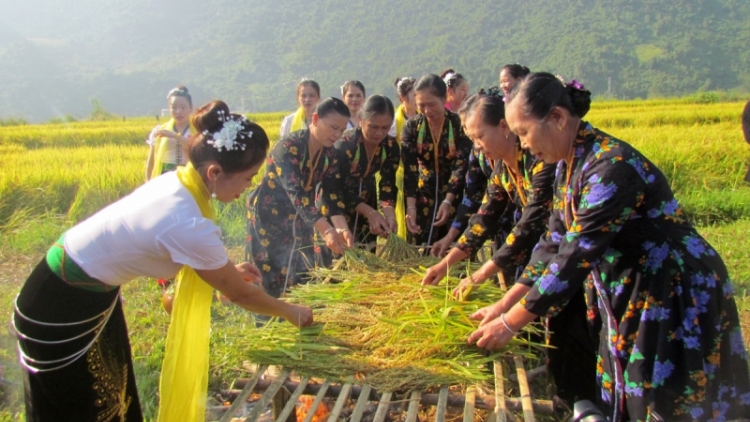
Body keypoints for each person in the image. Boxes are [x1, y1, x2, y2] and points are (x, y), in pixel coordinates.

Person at [469, 73, 750, 421]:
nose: (523, 144)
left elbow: (576, 254)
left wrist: (511, 323)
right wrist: (504, 302)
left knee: (671, 397)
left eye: (524, 132)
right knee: (630, 387)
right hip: (631, 289)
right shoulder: (566, 165)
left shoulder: (610, 165)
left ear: (557, 117)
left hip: (672, 290)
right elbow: (553, 241)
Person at [13, 101, 314, 422]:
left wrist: (228, 273)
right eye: (248, 178)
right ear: (214, 172)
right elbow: (239, 293)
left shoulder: (179, 183)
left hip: (83, 293)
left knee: (112, 397)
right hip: (61, 305)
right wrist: (290, 312)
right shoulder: (189, 221)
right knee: (78, 409)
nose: (249, 187)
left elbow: (179, 249)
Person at [422, 94, 598, 406]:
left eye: (479, 136)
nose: (477, 146)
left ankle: (578, 398)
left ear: (504, 127)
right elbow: (485, 218)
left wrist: (482, 281)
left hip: (586, 267)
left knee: (578, 333)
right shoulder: (503, 167)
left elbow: (528, 229)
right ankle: (570, 398)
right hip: (556, 261)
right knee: (559, 329)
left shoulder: (547, 162)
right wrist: (447, 263)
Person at [247, 97, 353, 299]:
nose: (337, 134)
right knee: (270, 273)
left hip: (302, 220)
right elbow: (297, 194)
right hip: (269, 219)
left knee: (300, 270)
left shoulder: (330, 154)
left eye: (341, 130)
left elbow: (332, 195)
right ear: (315, 119)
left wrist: (341, 228)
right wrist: (327, 230)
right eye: (333, 127)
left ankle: (295, 317)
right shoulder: (288, 147)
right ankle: (268, 321)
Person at [401, 74, 472, 249]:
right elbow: (410, 171)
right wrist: (410, 208)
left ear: (444, 98)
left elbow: (460, 166)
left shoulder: (458, 125)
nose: (426, 111)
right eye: (421, 106)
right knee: (420, 250)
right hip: (422, 196)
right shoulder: (412, 127)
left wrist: (448, 200)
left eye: (431, 104)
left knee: (453, 250)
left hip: (455, 195)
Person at [333, 95, 400, 248]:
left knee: (365, 256)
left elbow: (387, 184)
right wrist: (370, 212)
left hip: (368, 201)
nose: (379, 133)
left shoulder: (390, 146)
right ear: (360, 120)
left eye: (385, 128)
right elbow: (336, 187)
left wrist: (390, 216)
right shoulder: (345, 145)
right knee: (340, 257)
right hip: (339, 206)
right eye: (373, 127)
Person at [388, 77, 418, 239]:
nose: (418, 100)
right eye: (415, 95)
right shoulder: (394, 121)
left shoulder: (424, 118)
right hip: (400, 174)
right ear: (403, 98)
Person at [145, 86, 195, 181]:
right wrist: (148, 182)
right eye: (174, 107)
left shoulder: (198, 130)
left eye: (183, 107)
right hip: (165, 176)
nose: (178, 112)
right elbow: (151, 161)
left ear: (191, 108)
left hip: (189, 176)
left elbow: (197, 148)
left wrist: (175, 136)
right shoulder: (160, 130)